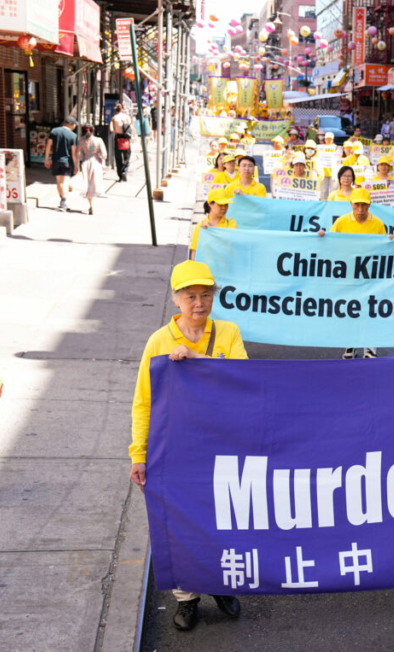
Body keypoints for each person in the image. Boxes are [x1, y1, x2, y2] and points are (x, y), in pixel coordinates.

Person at [130, 261, 246, 630]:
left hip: (222, 446)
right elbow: (144, 403)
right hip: (174, 451)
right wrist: (139, 455)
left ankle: (222, 586)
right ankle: (187, 598)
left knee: (223, 520)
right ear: (176, 298)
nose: (199, 302)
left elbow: (245, 382)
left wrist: (199, 360)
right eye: (191, 295)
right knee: (179, 524)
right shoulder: (158, 341)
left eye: (206, 295)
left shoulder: (228, 332)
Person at [317, 188, 392, 359]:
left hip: (370, 274)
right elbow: (330, 242)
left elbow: (384, 248)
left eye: (364, 205)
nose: (360, 208)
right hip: (348, 273)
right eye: (357, 204)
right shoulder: (341, 222)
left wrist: (390, 241)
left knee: (370, 310)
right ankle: (350, 345)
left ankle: (370, 349)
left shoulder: (378, 224)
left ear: (369, 205)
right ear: (351, 204)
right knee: (349, 309)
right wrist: (321, 237)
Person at [190, 189, 237, 261]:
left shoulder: (231, 223)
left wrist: (211, 230)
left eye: (226, 204)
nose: (224, 208)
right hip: (205, 267)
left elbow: (230, 243)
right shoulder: (200, 227)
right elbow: (195, 253)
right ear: (210, 204)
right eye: (220, 204)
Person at [45, 116, 79, 212]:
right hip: (67, 161)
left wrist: (46, 159)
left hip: (56, 160)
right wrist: (76, 165)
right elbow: (73, 153)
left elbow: (48, 145)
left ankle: (62, 200)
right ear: (71, 125)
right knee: (65, 181)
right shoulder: (73, 135)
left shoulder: (54, 131)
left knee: (59, 181)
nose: (75, 127)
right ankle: (64, 202)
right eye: (74, 125)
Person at [76, 124, 107, 215]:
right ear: (93, 131)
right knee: (95, 183)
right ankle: (93, 205)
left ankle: (91, 204)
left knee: (87, 183)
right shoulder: (99, 140)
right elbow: (104, 154)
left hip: (85, 163)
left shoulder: (81, 141)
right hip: (96, 162)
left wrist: (83, 157)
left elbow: (78, 154)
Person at [110, 103, 133, 182]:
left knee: (118, 157)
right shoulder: (126, 117)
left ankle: (120, 176)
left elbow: (111, 129)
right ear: (122, 109)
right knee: (127, 156)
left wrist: (117, 128)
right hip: (126, 139)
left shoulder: (113, 118)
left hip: (118, 138)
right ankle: (124, 170)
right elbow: (131, 127)